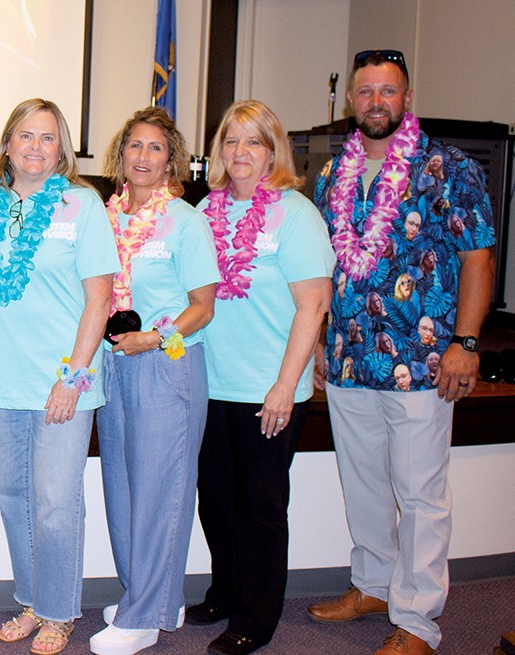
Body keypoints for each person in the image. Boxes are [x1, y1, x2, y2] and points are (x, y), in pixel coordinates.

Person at [308, 49, 495, 655]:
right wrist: (320, 339)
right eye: (365, 92)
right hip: (348, 357)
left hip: (423, 361)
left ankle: (417, 621)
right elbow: (322, 268)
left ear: (407, 98)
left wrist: (466, 343)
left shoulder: (450, 168)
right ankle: (372, 585)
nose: (375, 102)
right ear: (350, 101)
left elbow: (477, 257)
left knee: (420, 496)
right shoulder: (331, 175)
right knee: (362, 483)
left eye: (387, 91)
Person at [0, 99, 117, 655]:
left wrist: (73, 377)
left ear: (62, 150)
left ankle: (59, 612)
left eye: (48, 138)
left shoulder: (82, 205)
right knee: (13, 496)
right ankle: (33, 601)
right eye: (25, 136)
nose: (35, 147)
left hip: (63, 380)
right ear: (7, 144)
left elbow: (99, 299)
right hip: (0, 376)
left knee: (56, 501)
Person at [188, 100, 334, 655]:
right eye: (231, 140)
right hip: (210, 384)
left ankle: (257, 616)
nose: (240, 151)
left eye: (253, 141)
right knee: (215, 499)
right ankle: (226, 592)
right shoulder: (207, 210)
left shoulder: (296, 214)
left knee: (259, 507)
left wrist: (284, 386)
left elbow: (313, 306)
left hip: (270, 389)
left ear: (273, 151)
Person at [89, 107, 218, 655]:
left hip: (167, 364)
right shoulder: (103, 217)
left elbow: (203, 307)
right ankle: (145, 594)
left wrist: (156, 338)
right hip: (114, 363)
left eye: (156, 148)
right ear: (121, 154)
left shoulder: (186, 221)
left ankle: (146, 614)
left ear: (172, 161)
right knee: (121, 486)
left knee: (160, 490)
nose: (143, 157)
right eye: (135, 146)